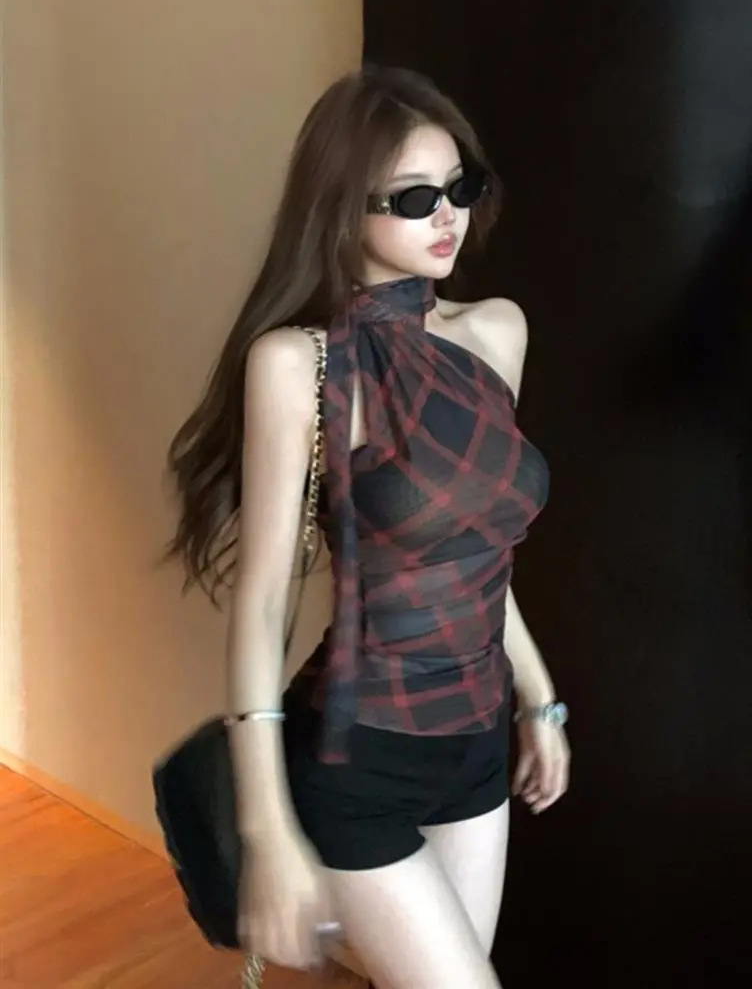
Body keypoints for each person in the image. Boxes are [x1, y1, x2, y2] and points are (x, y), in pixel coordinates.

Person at [166, 66, 570, 988]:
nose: (449, 215)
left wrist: (538, 701)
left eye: (460, 186)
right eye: (415, 198)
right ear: (344, 210)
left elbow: (480, 557)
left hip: (475, 748)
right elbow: (264, 604)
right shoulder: (298, 366)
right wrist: (268, 831)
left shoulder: (496, 333)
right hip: (360, 755)